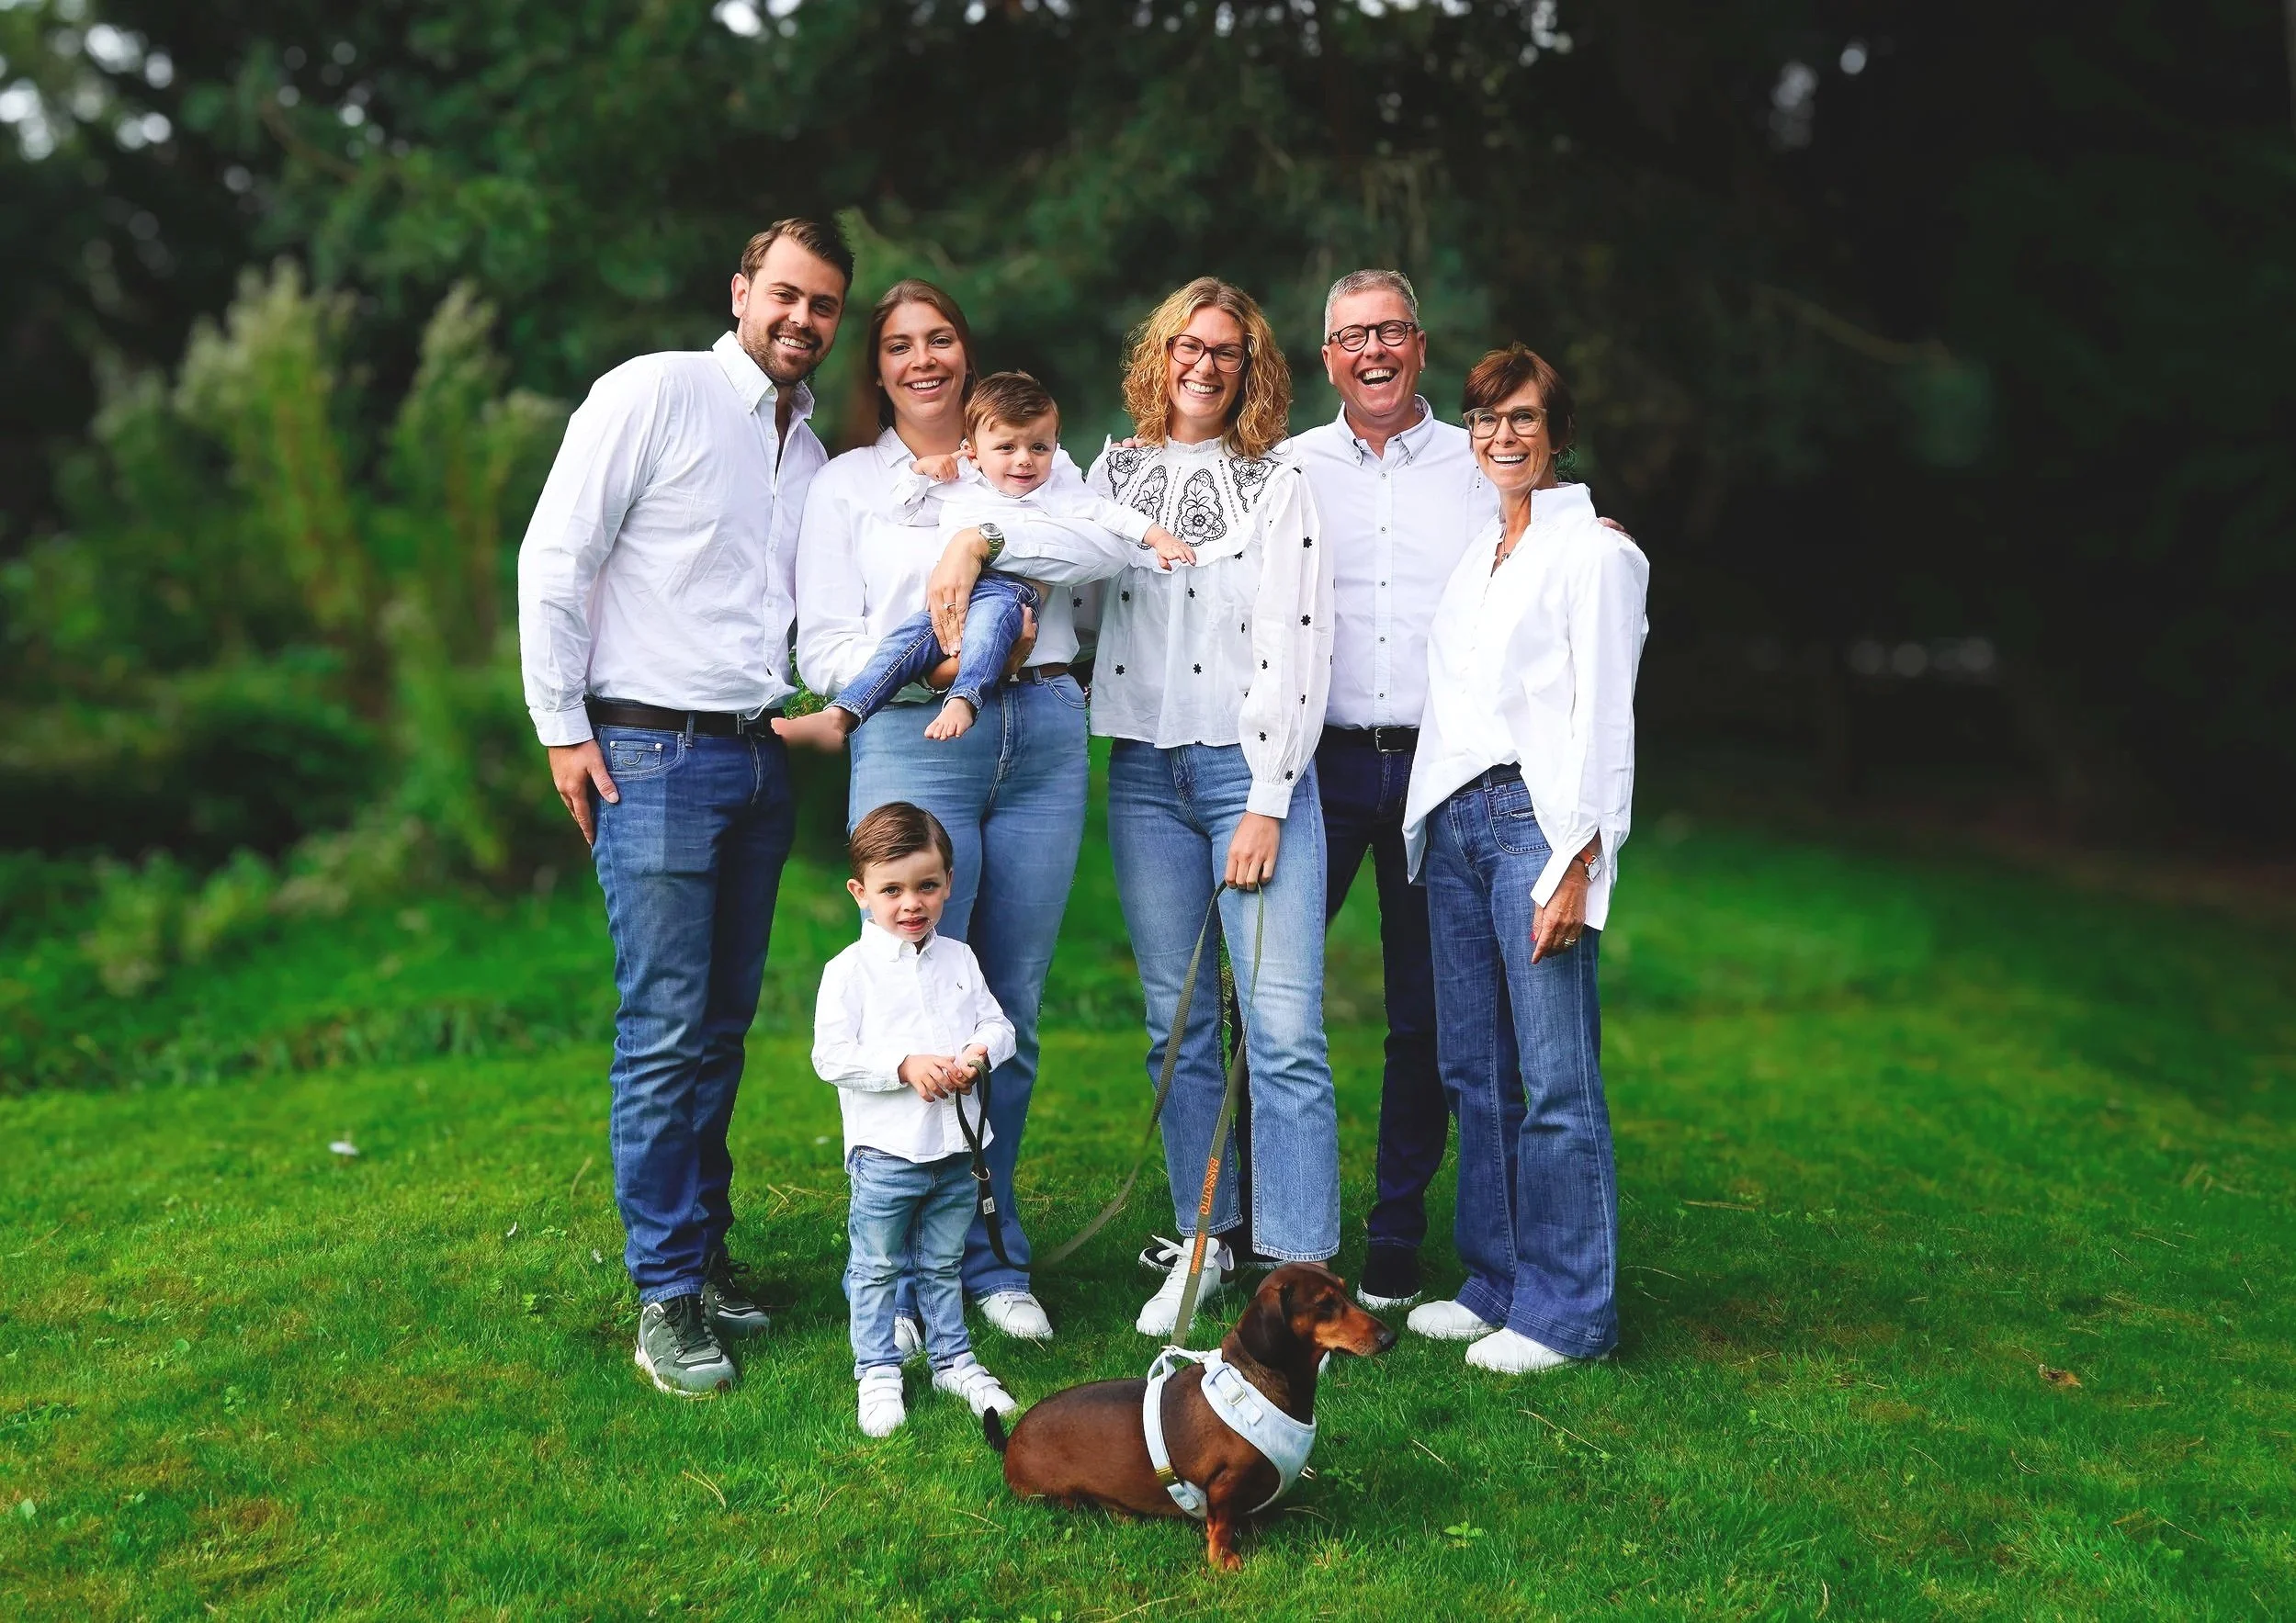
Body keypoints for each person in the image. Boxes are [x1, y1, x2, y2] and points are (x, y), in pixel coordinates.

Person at [927, 276, 1339, 1339]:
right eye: (1184, 347)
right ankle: (1206, 1241)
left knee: (1283, 1029)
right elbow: (1035, 525)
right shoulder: (1106, 470)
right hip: (1147, 775)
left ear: (1253, 368)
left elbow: (1301, 639)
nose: (1203, 366)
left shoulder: (1280, 479)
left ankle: (1300, 1276)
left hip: (1251, 779)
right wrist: (975, 536)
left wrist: (1269, 796)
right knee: (1177, 1026)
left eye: (1225, 352)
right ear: (1158, 357)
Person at [516, 217, 851, 1399]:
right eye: (786, 296)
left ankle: (702, 1261)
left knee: (719, 1031)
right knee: (662, 1032)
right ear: (741, 292)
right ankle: (662, 1298)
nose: (802, 320)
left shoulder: (808, 456)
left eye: (822, 307)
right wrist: (564, 726)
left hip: (758, 761)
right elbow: (556, 557)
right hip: (647, 751)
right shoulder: (652, 393)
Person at [789, 282, 1093, 1346]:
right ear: (876, 371)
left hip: (1045, 729)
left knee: (1007, 1009)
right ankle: (908, 1267)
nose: (924, 360)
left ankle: (991, 1256)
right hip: (917, 731)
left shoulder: (1026, 453)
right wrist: (931, 654)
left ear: (968, 353)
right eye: (901, 346)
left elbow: (1097, 560)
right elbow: (820, 641)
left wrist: (981, 538)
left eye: (943, 339)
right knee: (910, 1009)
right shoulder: (847, 486)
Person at [1399, 344, 1650, 1374]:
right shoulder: (1482, 552)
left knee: (1554, 1080)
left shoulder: (1593, 552)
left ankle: (1569, 1315)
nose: (1504, 435)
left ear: (1558, 432)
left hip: (1535, 826)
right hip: (1456, 823)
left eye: (1524, 419)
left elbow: (1603, 715)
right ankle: (1497, 1283)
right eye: (1487, 418)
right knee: (1476, 1072)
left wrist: (1581, 857)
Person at [1283, 269, 1496, 1312]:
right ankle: (1270, 1224)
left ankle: (1397, 1234)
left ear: (1421, 343)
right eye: (1349, 335)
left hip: (1436, 766)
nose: (1371, 351)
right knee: (1273, 999)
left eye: (1390, 331)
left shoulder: (1476, 464)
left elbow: (1552, 547)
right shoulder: (1287, 468)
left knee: (1426, 1012)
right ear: (1324, 357)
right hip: (1312, 761)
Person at [807, 371, 1192, 744]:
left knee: (991, 626)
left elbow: (1109, 518)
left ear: (1054, 448)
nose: (1024, 460)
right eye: (1007, 447)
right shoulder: (959, 484)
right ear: (972, 453)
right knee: (902, 643)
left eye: (1039, 447)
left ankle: (964, 699)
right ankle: (843, 711)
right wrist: (920, 473)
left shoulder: (1057, 491)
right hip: (951, 607)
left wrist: (1157, 537)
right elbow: (906, 511)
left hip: (1010, 593)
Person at [813, 802, 1021, 1436]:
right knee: (877, 1266)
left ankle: (952, 1357)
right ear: (860, 892)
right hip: (886, 1154)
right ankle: (877, 1368)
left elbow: (998, 1024)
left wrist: (978, 1053)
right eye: (892, 889)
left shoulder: (959, 959)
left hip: (958, 1150)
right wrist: (902, 1065)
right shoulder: (848, 972)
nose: (911, 903)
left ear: (948, 883)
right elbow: (831, 1056)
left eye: (926, 886)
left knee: (940, 1260)